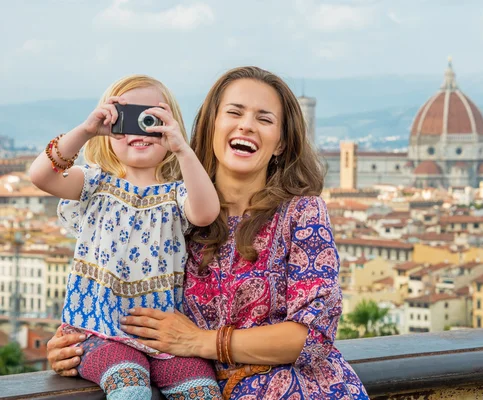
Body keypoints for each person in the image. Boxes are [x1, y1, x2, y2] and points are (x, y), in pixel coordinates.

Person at [47, 66, 369, 399]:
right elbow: (118, 291)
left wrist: (201, 342)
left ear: (281, 144)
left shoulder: (302, 213)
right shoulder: (172, 214)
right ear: (210, 125)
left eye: (264, 119)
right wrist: (81, 344)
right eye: (234, 112)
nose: (246, 125)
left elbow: (312, 338)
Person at [31, 74, 222, 399]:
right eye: (125, 118)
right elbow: (41, 176)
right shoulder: (93, 183)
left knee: (201, 389)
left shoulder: (176, 195)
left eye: (152, 119)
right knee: (129, 385)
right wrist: (86, 130)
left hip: (161, 335)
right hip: (97, 330)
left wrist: (182, 150)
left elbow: (205, 213)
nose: (138, 129)